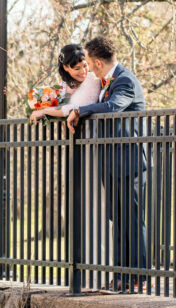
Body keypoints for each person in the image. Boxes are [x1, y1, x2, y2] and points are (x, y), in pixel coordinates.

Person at [66, 36, 148, 292]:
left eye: (89, 63)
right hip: (112, 162)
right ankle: (121, 275)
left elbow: (113, 107)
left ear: (98, 62)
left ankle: (139, 277)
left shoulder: (124, 80)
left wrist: (81, 110)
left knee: (132, 221)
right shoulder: (107, 81)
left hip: (130, 162)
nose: (88, 68)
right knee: (119, 220)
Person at [29, 43, 100, 123]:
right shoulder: (64, 84)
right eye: (77, 69)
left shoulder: (93, 80)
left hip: (90, 132)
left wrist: (44, 111)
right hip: (68, 133)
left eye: (85, 66)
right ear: (65, 67)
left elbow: (76, 108)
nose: (83, 71)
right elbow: (58, 107)